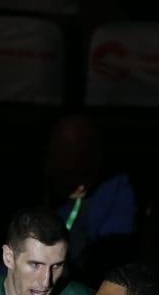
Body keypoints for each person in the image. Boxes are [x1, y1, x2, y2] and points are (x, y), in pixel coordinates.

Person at [46, 114, 139, 279]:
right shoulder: (44, 200)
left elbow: (112, 252)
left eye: (78, 154)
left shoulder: (117, 192)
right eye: (61, 153)